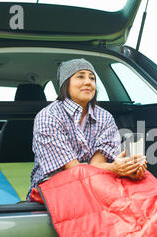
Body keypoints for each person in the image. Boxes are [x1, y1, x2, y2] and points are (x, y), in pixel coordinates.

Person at [27, 58, 147, 201]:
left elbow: (96, 165)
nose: (88, 82)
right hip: (53, 188)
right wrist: (114, 168)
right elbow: (73, 171)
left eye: (92, 78)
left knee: (143, 184)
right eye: (80, 76)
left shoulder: (105, 117)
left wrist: (128, 168)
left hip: (95, 182)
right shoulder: (48, 116)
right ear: (66, 84)